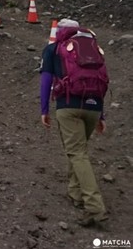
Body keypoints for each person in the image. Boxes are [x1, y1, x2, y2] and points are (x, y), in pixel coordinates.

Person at [40, 18, 108, 228]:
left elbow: (46, 80)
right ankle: (75, 193)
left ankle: (95, 206)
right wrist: (101, 114)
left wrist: (44, 110)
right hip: (94, 106)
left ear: (60, 31)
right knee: (78, 149)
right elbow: (100, 79)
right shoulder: (94, 49)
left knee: (77, 153)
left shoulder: (54, 49)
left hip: (68, 105)